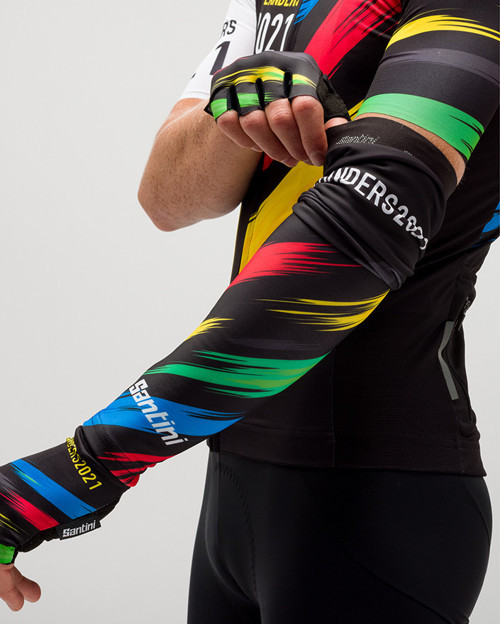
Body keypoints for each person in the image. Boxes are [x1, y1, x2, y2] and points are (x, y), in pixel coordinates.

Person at [0, 0, 498, 622]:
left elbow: (361, 230)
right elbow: (165, 198)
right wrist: (234, 108)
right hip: (235, 483)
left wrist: (77, 470)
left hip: (381, 493)